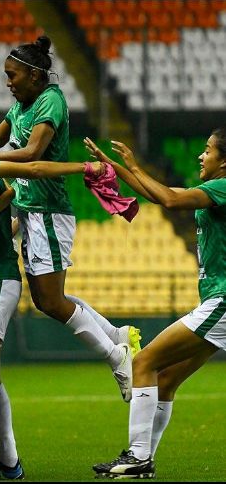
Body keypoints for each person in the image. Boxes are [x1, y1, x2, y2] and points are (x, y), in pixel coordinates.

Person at [0, 36, 139, 402]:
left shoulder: (50, 101)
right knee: (49, 298)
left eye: (13, 75)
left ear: (34, 75)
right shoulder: (22, 103)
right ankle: (116, 336)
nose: (8, 82)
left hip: (47, 211)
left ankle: (116, 356)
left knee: (50, 300)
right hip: (32, 211)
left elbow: (32, 152)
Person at [86, 134, 226, 479]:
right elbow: (159, 195)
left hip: (223, 301)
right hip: (216, 301)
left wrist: (133, 167)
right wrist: (119, 168)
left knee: (144, 361)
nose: (201, 156)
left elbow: (169, 199)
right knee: (165, 380)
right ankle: (142, 460)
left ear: (224, 161)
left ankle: (138, 457)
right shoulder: (214, 191)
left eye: (208, 150)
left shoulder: (223, 187)